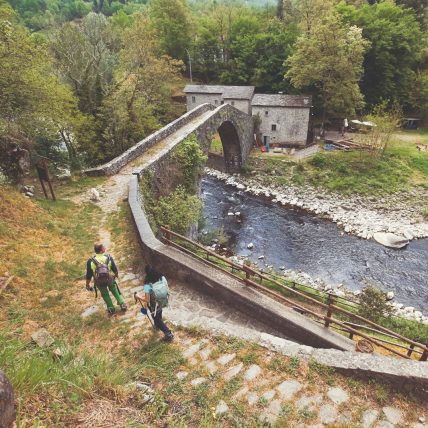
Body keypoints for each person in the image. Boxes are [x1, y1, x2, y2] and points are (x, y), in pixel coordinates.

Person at [85, 243, 127, 315]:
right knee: (114, 290)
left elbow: (89, 275)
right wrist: (115, 276)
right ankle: (121, 303)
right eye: (103, 247)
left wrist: (87, 284)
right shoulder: (108, 258)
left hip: (99, 281)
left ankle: (111, 308)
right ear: (101, 251)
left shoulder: (90, 261)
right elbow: (115, 269)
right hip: (109, 279)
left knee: (105, 294)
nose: (105, 248)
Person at [142, 265, 174, 342]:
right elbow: (166, 287)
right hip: (163, 300)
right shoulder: (162, 277)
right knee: (159, 313)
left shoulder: (147, 284)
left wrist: (144, 307)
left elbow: (147, 299)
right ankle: (158, 325)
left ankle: (168, 333)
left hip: (154, 303)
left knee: (156, 319)